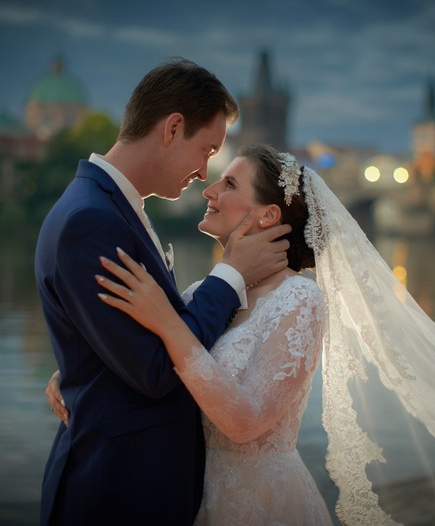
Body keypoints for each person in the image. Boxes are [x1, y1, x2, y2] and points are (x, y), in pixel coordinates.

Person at [50, 144, 435, 525]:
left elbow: (241, 418)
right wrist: (82, 375)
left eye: (229, 184)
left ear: (266, 217)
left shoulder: (300, 298)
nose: (209, 187)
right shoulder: (211, 291)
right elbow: (154, 355)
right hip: (193, 497)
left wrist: (164, 326)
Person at [34, 60, 291, 526]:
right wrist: (230, 274)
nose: (204, 172)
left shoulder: (111, 208)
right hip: (114, 494)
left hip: (135, 489)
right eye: (207, 149)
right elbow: (156, 369)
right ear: (173, 128)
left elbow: (130, 340)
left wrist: (84, 365)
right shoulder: (91, 221)